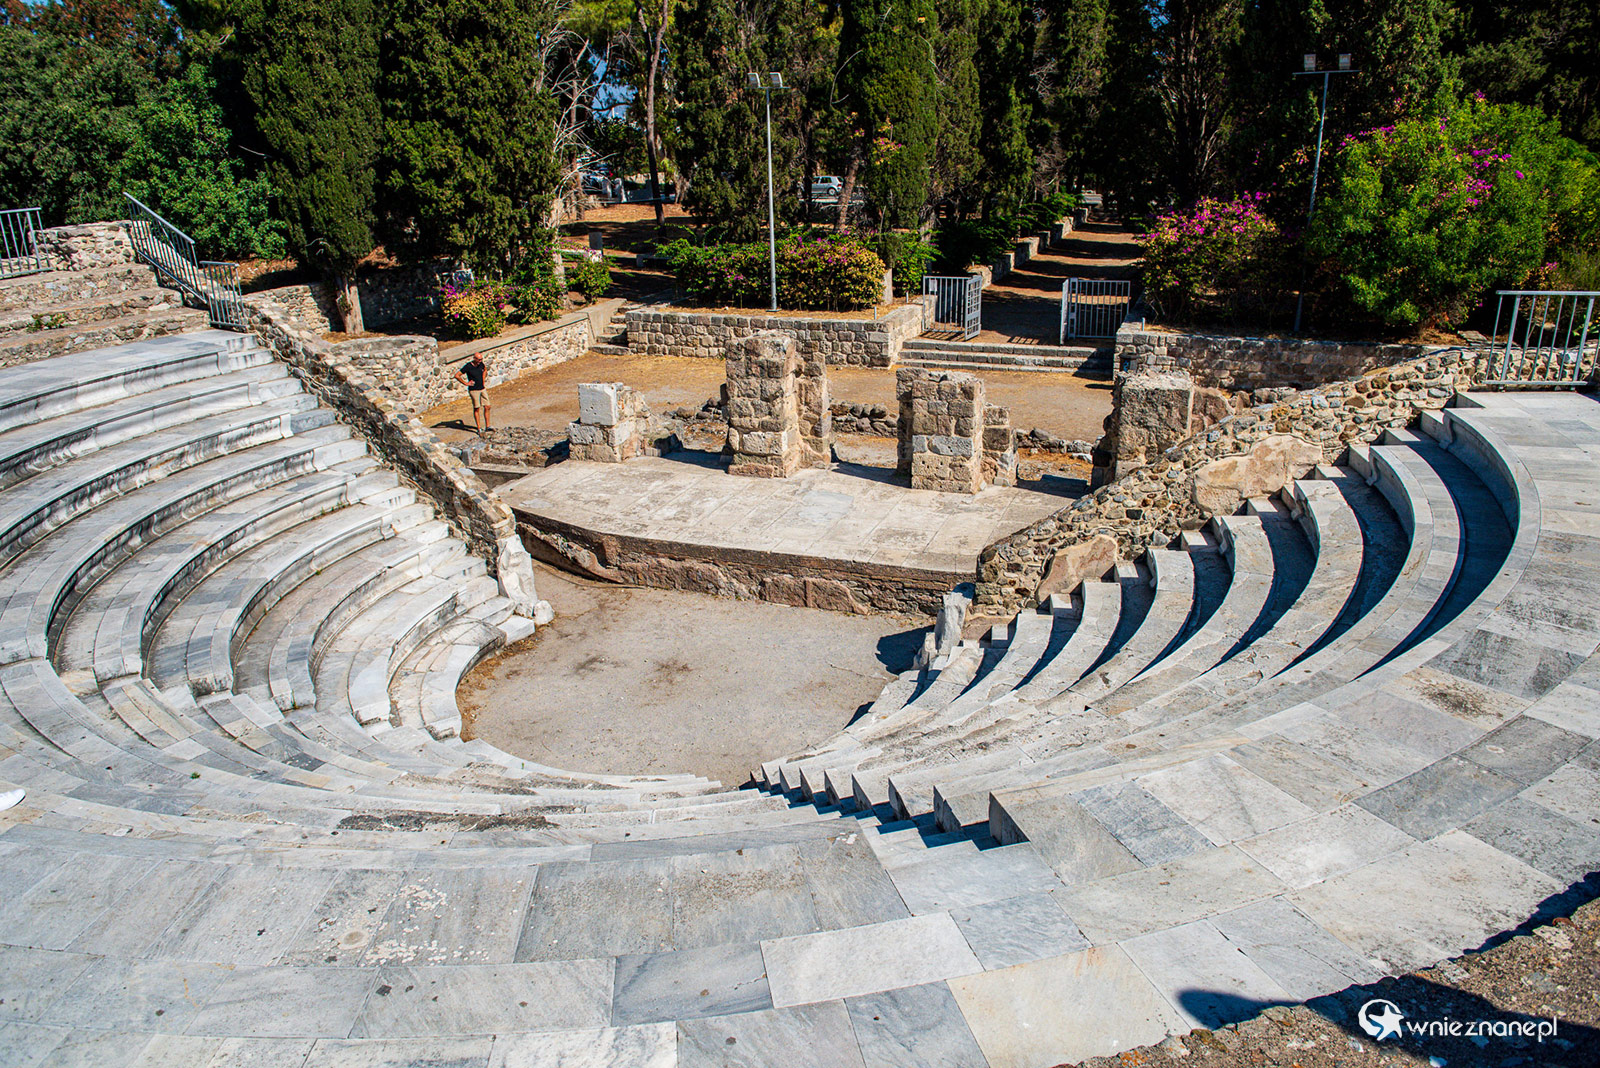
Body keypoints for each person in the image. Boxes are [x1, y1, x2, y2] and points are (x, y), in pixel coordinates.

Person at [455, 352, 492, 435]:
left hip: (482, 388)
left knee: (487, 406)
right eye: (479, 359)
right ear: (474, 359)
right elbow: (457, 375)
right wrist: (466, 383)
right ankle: (479, 428)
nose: (480, 361)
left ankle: (488, 426)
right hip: (474, 390)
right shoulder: (468, 366)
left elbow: (485, 370)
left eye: (481, 359)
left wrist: (483, 379)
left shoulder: (481, 364)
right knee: (477, 408)